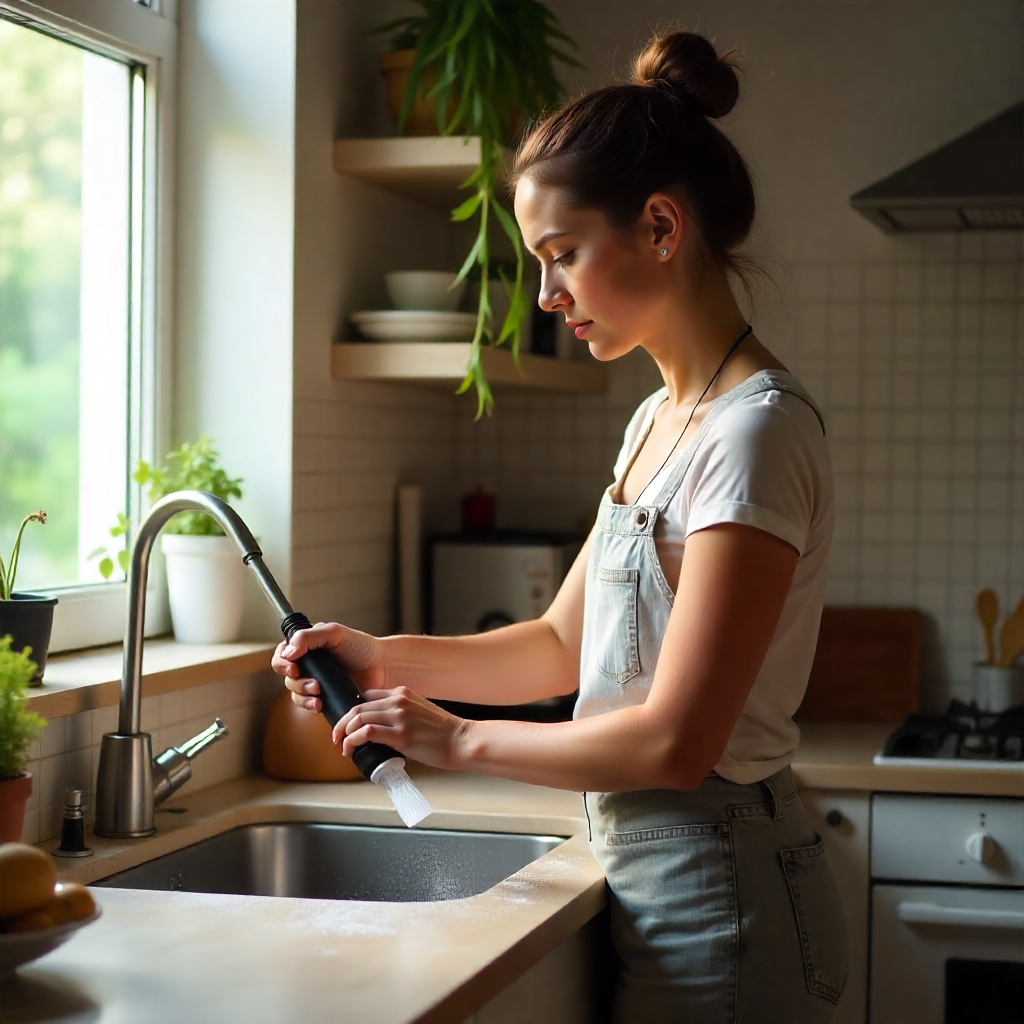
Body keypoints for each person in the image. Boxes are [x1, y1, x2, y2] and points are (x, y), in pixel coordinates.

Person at [273, 28, 848, 1024]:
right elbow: (555, 646)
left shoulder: (754, 435)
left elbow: (675, 743)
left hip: (726, 902)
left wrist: (458, 743)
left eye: (562, 255)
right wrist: (375, 658)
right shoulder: (656, 421)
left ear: (661, 227)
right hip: (656, 878)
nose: (546, 295)